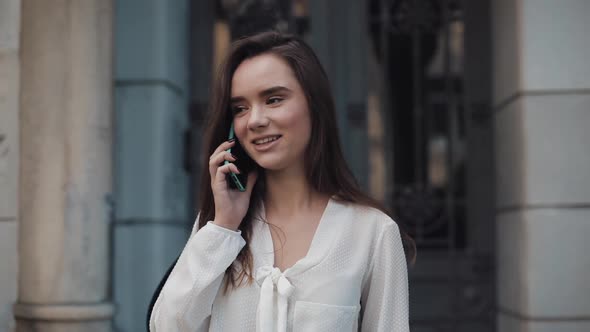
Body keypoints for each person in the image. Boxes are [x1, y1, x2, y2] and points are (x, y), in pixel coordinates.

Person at [149, 31, 413, 332]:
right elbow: (167, 327)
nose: (255, 120)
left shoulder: (372, 232)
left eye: (273, 99)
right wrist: (223, 227)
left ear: (314, 105)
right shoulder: (222, 228)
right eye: (240, 108)